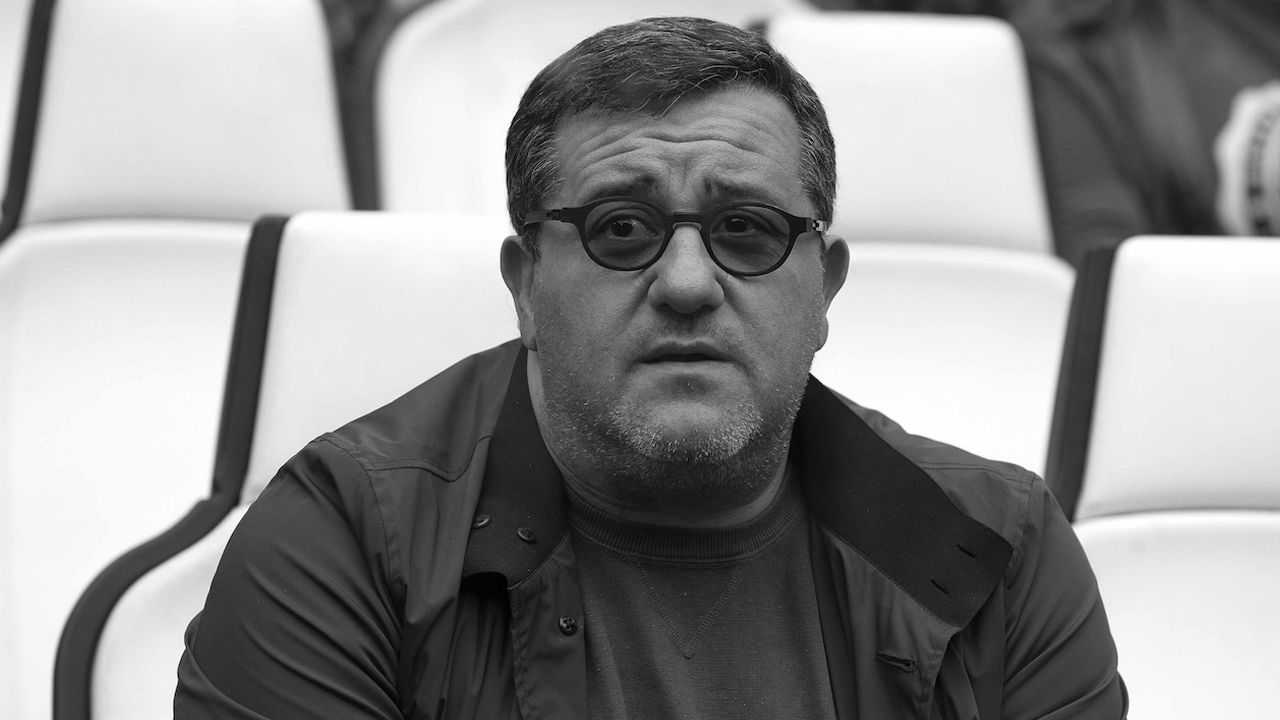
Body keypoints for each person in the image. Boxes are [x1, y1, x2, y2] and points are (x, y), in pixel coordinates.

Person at [175, 16, 1126, 719]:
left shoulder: (998, 550)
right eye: (620, 228)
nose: (686, 284)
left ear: (825, 288)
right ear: (525, 285)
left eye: (745, 229)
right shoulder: (345, 541)